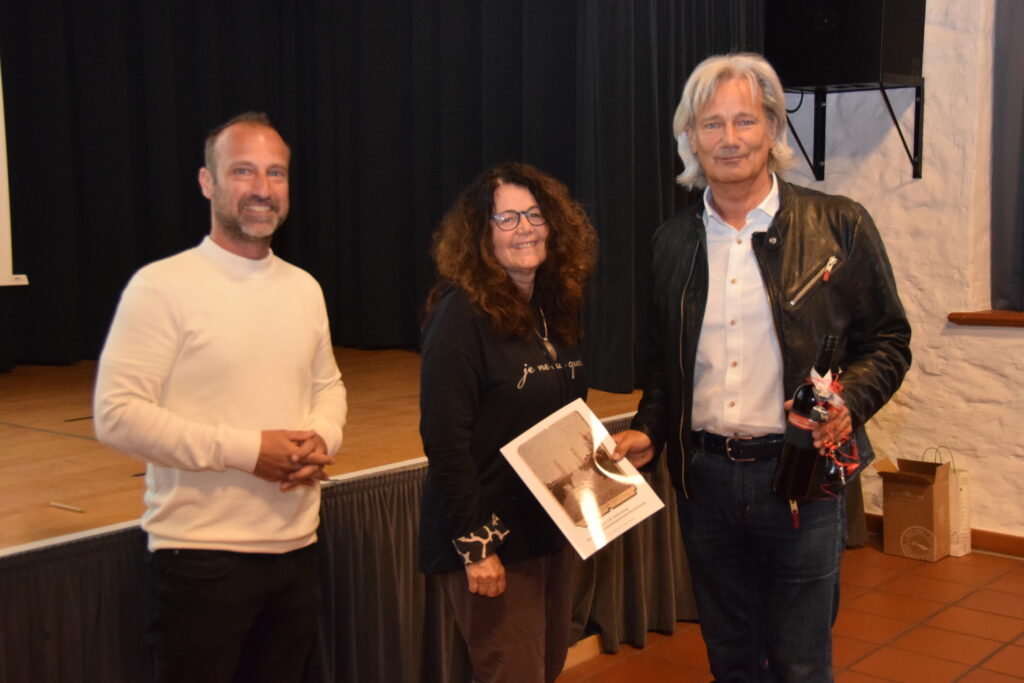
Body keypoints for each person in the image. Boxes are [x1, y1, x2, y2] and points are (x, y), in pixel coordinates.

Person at [613, 53, 911, 682]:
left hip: (801, 476)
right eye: (711, 124)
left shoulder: (840, 225)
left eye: (744, 121)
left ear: (773, 128)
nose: (729, 138)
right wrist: (648, 426)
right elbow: (665, 371)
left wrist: (848, 403)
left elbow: (888, 341)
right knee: (731, 658)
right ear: (690, 138)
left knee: (801, 663)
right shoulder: (670, 244)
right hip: (706, 482)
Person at [94, 112, 347, 683]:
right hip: (198, 563)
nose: (262, 189)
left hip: (297, 548)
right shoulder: (161, 286)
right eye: (244, 172)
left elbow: (327, 386)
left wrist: (321, 438)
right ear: (207, 183)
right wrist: (246, 450)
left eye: (276, 173)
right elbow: (115, 416)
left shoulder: (304, 287)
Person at [418, 162, 598, 682]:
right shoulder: (460, 317)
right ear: (481, 235)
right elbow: (444, 441)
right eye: (507, 219)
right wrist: (477, 549)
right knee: (512, 672)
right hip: (491, 538)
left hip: (547, 526)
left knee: (547, 666)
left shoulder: (555, 307)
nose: (525, 228)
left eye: (535, 215)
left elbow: (564, 419)